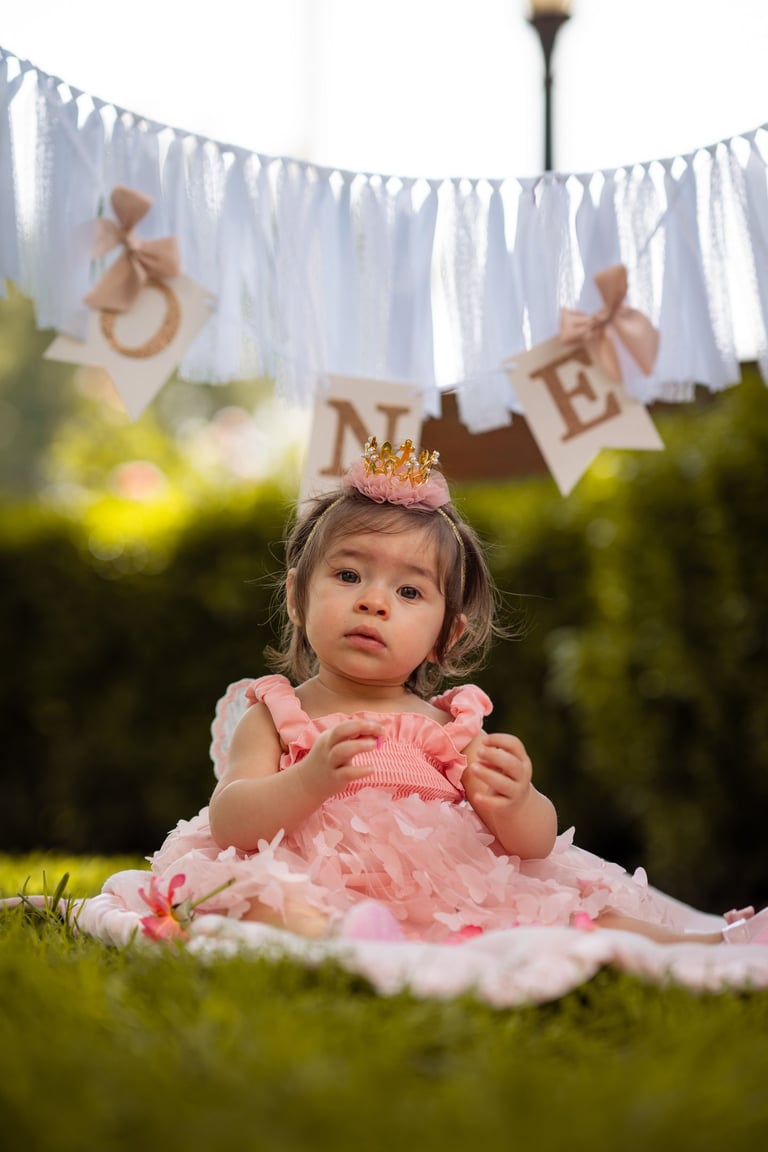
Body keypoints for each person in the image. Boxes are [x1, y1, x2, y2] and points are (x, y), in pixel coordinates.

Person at [106, 436, 767, 947]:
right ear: (298, 597)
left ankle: (700, 944)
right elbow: (231, 819)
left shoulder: (449, 723)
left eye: (409, 591)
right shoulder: (280, 713)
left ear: (446, 637)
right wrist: (306, 781)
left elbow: (532, 846)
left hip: (453, 889)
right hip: (321, 879)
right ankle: (344, 938)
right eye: (347, 574)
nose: (373, 601)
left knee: (577, 904)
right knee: (253, 898)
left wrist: (516, 798)